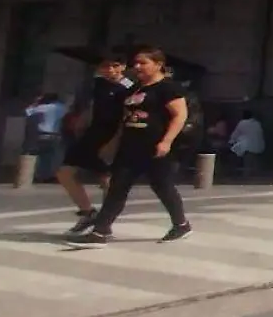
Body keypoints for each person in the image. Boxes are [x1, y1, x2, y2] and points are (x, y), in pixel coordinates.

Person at [68, 47, 191, 245]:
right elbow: (123, 119)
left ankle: (181, 224)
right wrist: (112, 143)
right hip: (130, 146)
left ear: (158, 65)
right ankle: (101, 231)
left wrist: (166, 141)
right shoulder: (134, 89)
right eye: (136, 63)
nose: (137, 67)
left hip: (155, 146)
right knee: (118, 187)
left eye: (143, 63)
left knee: (163, 186)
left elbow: (180, 116)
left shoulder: (169, 88)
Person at [57, 52, 131, 236]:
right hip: (91, 134)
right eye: (106, 66)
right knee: (64, 172)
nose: (110, 70)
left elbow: (126, 118)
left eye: (115, 65)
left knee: (106, 179)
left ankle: (105, 221)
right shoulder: (98, 84)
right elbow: (92, 107)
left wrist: (114, 143)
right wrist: (81, 122)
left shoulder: (129, 89)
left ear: (123, 67)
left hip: (111, 136)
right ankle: (87, 212)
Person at [23, 93, 67, 183]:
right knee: (52, 157)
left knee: (40, 156)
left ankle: (39, 175)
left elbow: (27, 112)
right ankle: (50, 175)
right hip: (56, 135)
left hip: (42, 134)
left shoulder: (43, 107)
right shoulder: (62, 107)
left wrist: (36, 102)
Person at [228, 110, 266, 176]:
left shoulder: (242, 123)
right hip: (259, 146)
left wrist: (230, 142)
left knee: (245, 160)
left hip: (247, 147)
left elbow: (235, 134)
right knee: (254, 162)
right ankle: (256, 175)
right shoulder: (257, 123)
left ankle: (245, 175)